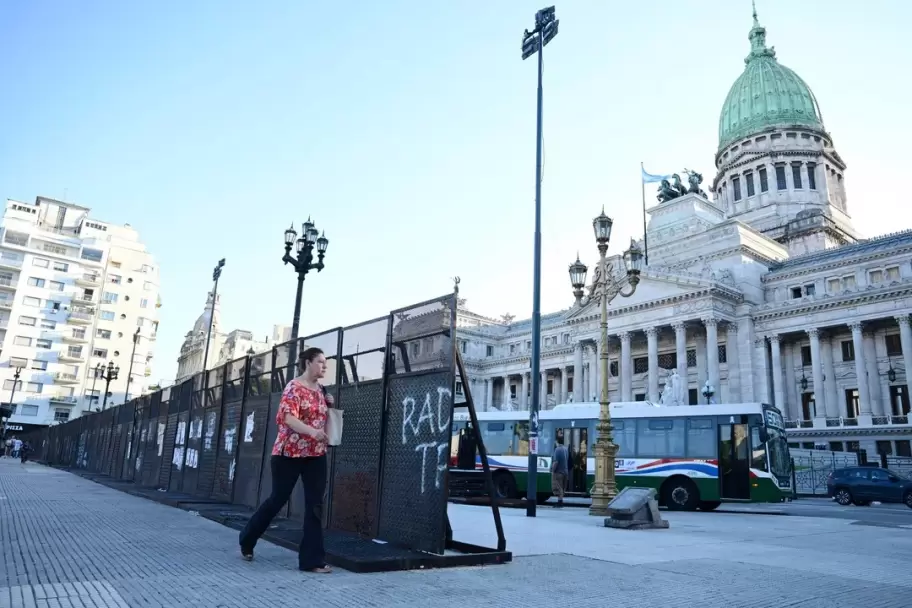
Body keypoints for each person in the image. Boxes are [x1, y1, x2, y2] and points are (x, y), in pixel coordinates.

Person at [239, 347, 333, 574]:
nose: (324, 366)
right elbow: (288, 418)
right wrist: (312, 432)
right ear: (308, 363)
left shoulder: (321, 390)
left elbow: (319, 417)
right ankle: (247, 538)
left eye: (325, 362)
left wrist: (328, 403)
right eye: (320, 362)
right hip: (288, 453)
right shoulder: (293, 387)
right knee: (278, 499)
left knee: (315, 505)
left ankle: (312, 561)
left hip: (315, 454)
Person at [551, 439, 569, 507]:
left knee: (558, 487)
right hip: (565, 471)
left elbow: (556, 462)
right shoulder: (565, 449)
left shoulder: (557, 450)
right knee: (562, 487)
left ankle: (560, 503)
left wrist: (553, 470)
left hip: (558, 472)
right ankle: (560, 501)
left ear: (556, 441)